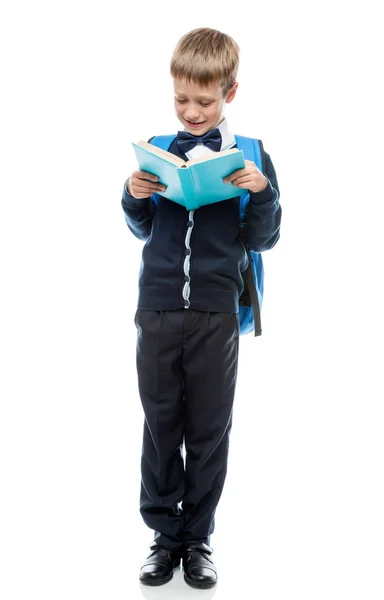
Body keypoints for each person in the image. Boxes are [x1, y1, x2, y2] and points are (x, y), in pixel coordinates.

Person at [121, 27, 282, 589]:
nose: (191, 111)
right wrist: (133, 195)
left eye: (204, 101)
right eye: (181, 99)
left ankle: (198, 540)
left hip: (216, 313)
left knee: (209, 428)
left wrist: (261, 192)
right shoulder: (160, 150)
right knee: (161, 425)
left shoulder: (254, 156)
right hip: (159, 309)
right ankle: (164, 540)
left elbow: (263, 239)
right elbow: (144, 228)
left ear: (229, 94)